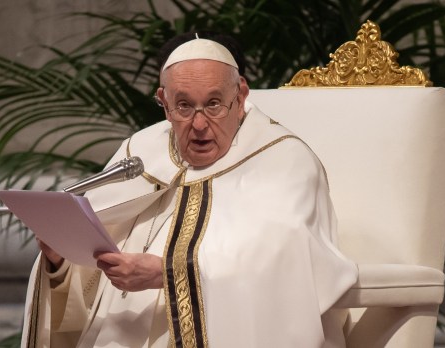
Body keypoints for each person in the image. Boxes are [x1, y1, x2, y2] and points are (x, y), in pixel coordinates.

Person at [21, 31, 358, 348]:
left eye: (214, 104)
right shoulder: (140, 151)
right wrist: (61, 261)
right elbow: (94, 267)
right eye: (183, 106)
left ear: (240, 96)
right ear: (163, 100)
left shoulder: (284, 161)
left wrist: (168, 273)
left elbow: (286, 266)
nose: (198, 125)